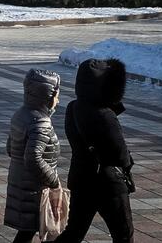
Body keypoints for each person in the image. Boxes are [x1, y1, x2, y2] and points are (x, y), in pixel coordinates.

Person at [54, 59, 135, 243]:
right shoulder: (105, 114)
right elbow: (120, 154)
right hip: (108, 182)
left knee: (74, 232)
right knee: (123, 234)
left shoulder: (73, 107)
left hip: (81, 177)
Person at [4, 69, 63, 243]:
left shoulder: (21, 114)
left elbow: (10, 148)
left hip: (19, 182)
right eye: (56, 94)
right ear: (47, 95)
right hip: (34, 189)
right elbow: (33, 158)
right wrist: (54, 181)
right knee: (30, 231)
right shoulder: (41, 123)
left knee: (26, 232)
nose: (58, 100)